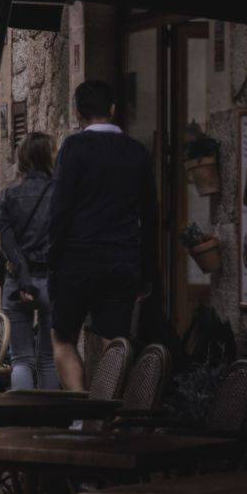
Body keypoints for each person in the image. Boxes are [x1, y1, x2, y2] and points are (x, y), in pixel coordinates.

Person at [48, 81, 158, 391]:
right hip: (122, 260)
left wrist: (53, 258)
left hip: (77, 260)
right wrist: (146, 272)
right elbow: (150, 215)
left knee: (63, 339)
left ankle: (80, 407)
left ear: (78, 113)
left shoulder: (74, 148)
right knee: (116, 342)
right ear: (113, 109)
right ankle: (110, 408)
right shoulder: (137, 152)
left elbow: (60, 209)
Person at [0, 132, 58, 390]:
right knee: (49, 360)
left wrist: (22, 276)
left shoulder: (7, 195)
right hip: (51, 282)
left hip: (17, 282)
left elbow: (7, 243)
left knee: (21, 359)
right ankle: (47, 412)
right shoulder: (60, 193)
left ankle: (22, 411)